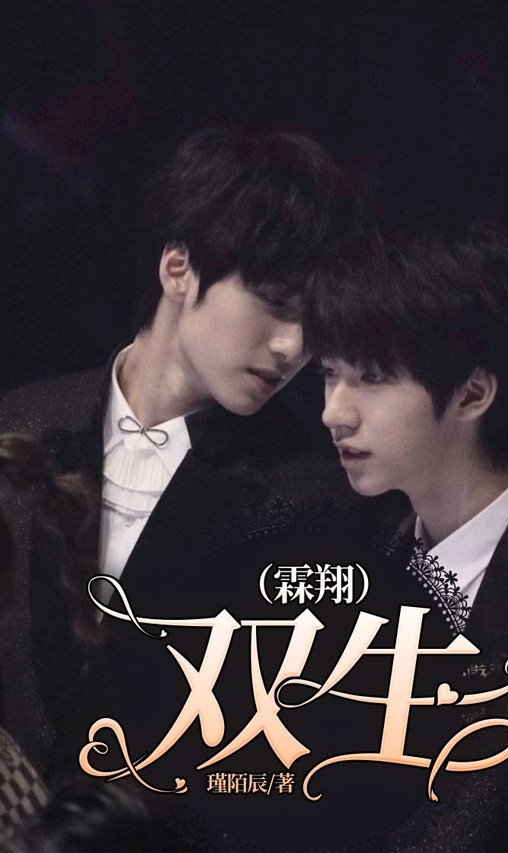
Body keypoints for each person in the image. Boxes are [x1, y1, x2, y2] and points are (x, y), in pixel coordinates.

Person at [0, 126, 400, 803]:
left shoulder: (317, 499)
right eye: (276, 303)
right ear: (178, 268)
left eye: (313, 325)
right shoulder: (20, 425)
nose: (293, 348)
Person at [303, 222, 508, 851]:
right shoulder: (352, 562)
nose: (334, 411)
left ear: (472, 393)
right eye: (329, 373)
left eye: (371, 377)